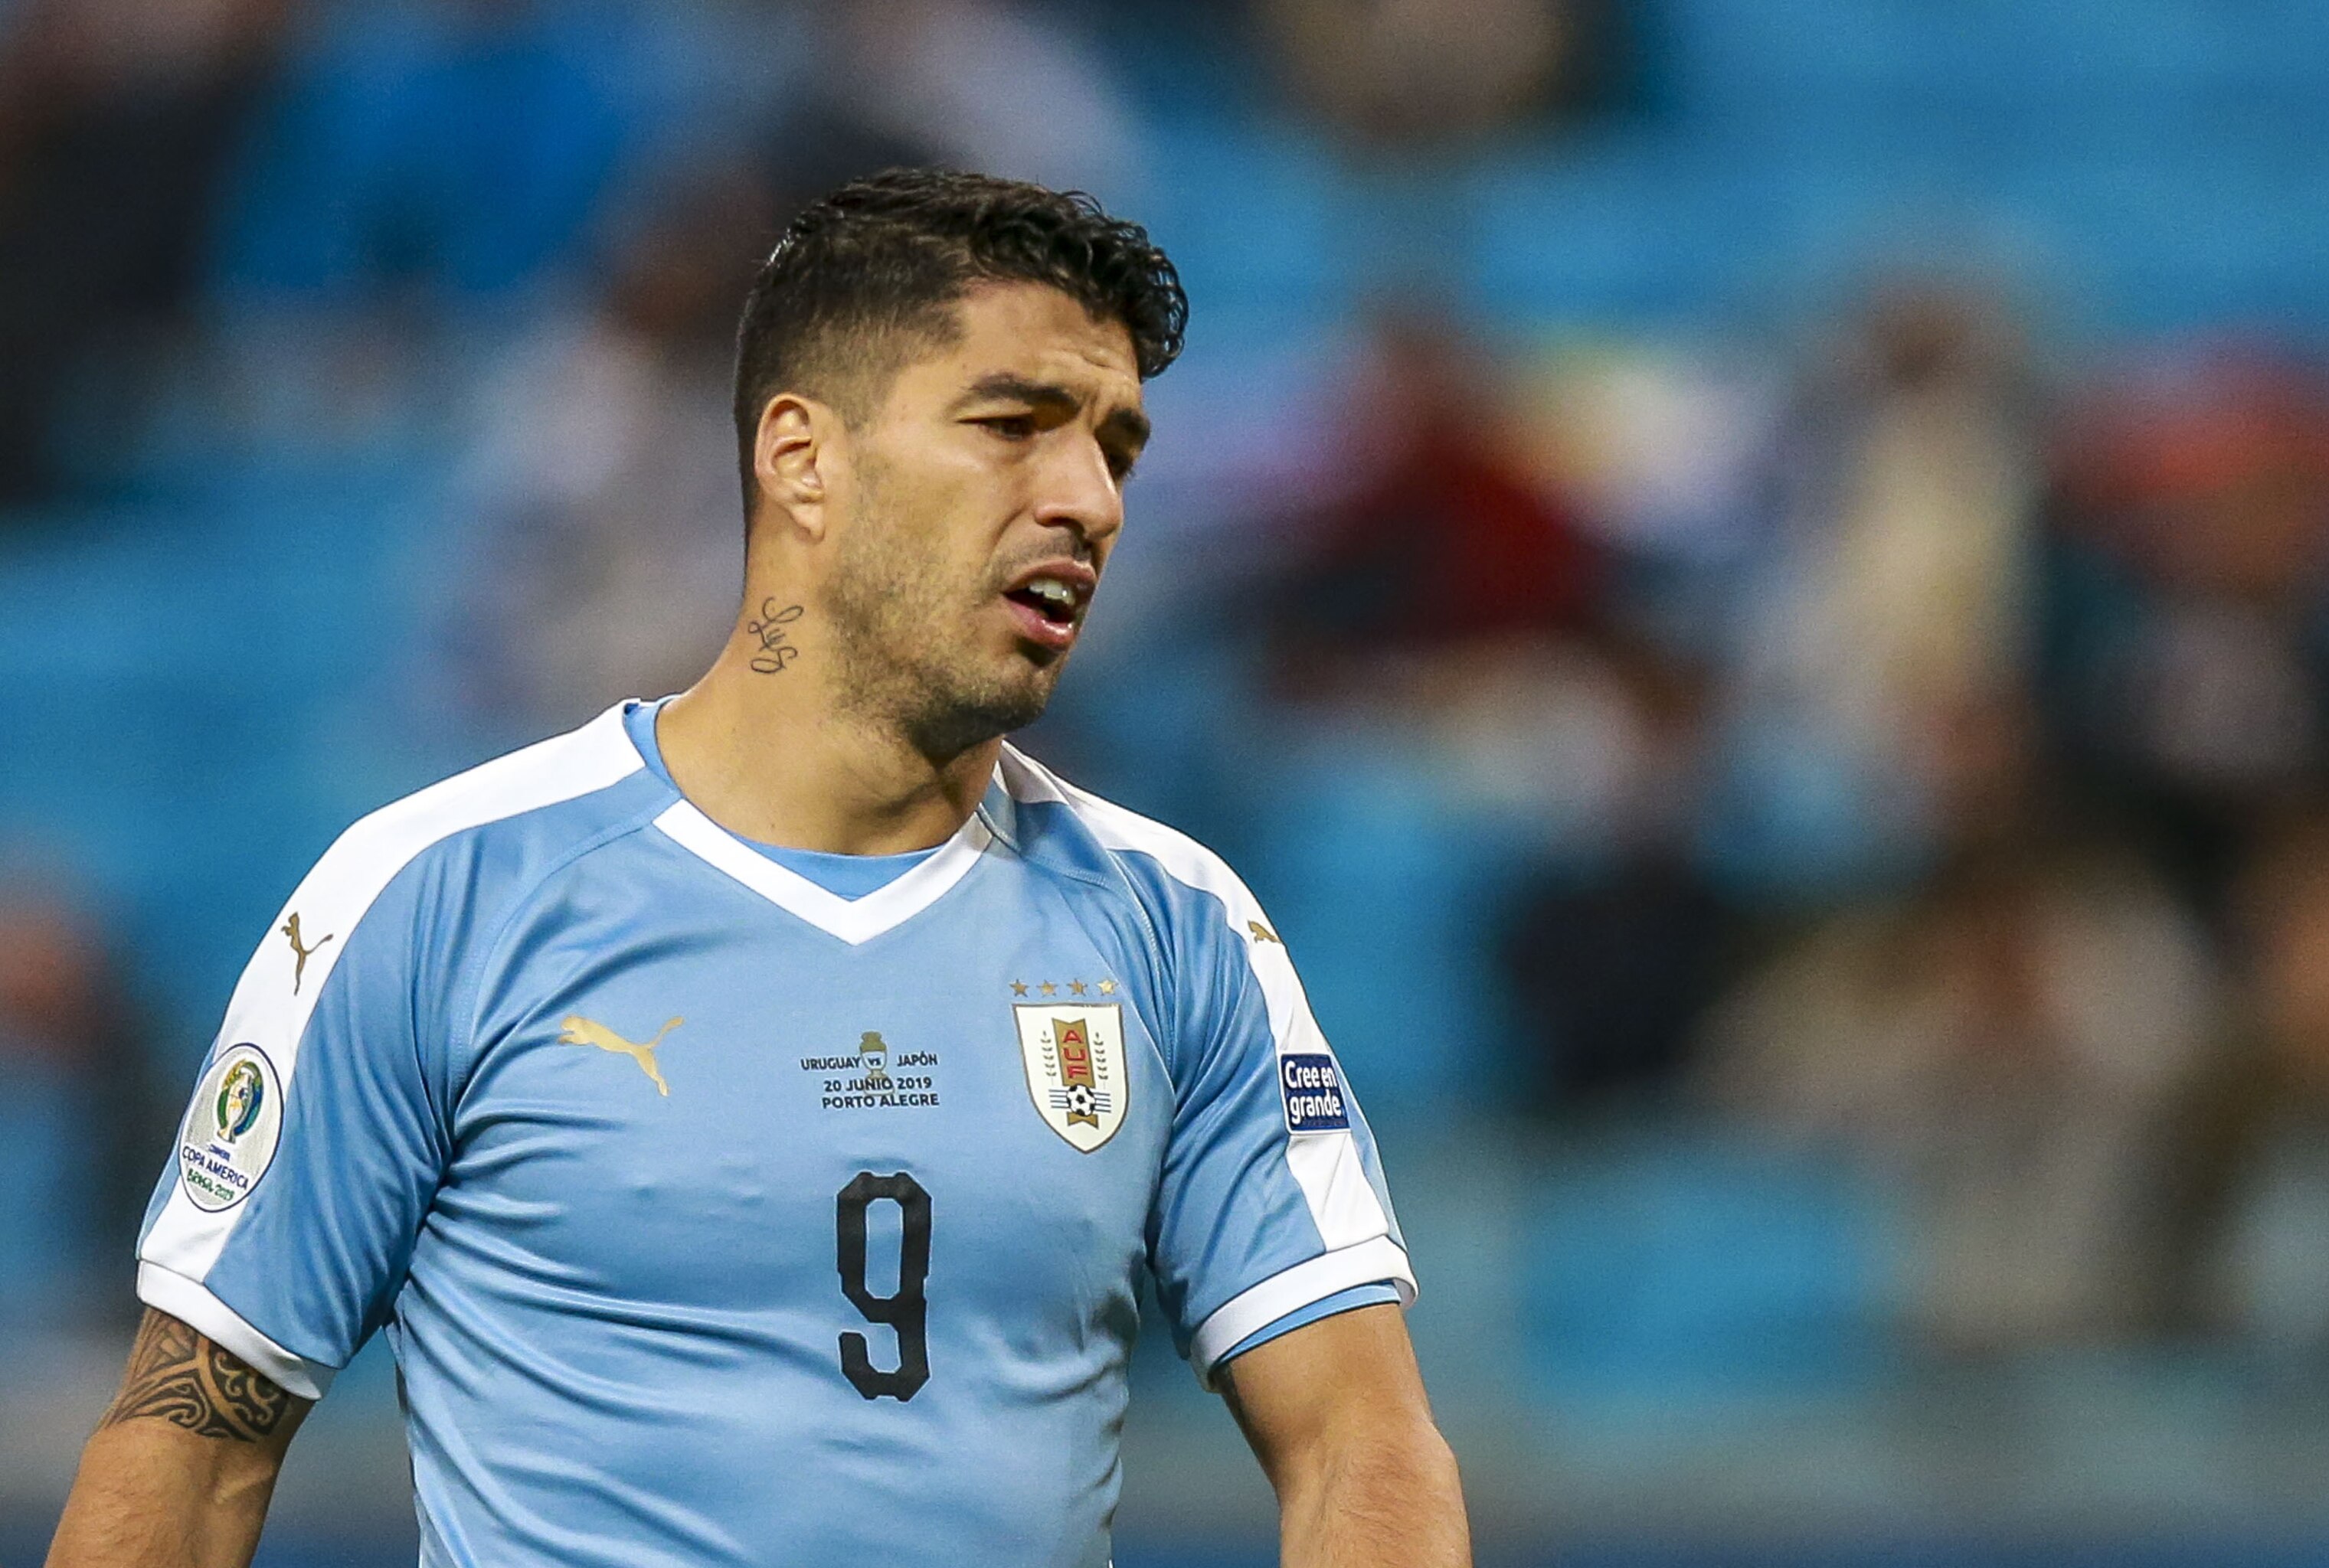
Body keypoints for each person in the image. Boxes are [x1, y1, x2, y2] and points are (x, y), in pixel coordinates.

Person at [45, 170, 1468, 1568]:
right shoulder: (437, 900)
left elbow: (1363, 1445)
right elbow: (190, 1452)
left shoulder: (1178, 929)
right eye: (1015, 427)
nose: (1089, 501)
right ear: (801, 458)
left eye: (1117, 450)